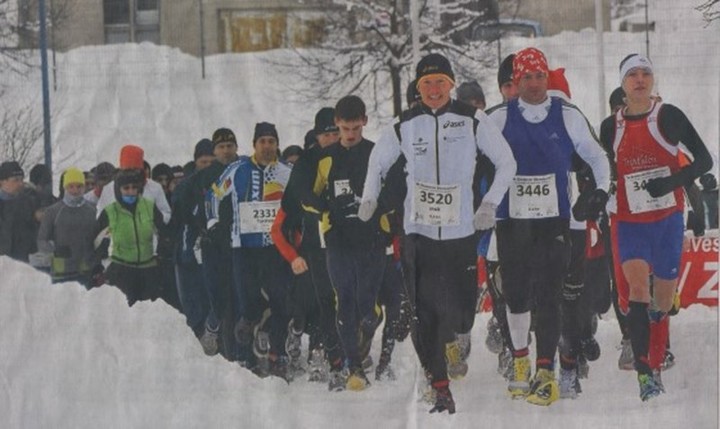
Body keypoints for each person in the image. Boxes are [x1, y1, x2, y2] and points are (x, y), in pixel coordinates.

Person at [360, 53, 516, 413]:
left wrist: (490, 203)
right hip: (419, 232)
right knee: (423, 311)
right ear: (418, 88)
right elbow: (377, 162)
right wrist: (369, 197)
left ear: (451, 85)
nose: (433, 89)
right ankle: (439, 384)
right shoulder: (405, 124)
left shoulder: (472, 119)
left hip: (462, 232)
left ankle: (452, 337)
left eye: (440, 82)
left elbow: (507, 161)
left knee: (460, 313)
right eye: (426, 83)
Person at [487, 47, 610, 406]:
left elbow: (597, 156)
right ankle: (521, 361)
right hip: (511, 220)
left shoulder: (566, 115)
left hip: (552, 219)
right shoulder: (497, 118)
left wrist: (600, 192)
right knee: (517, 296)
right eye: (527, 77)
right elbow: (471, 159)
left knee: (550, 294)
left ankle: (546, 371)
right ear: (516, 81)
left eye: (540, 75)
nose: (536, 83)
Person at [599, 53, 712, 401]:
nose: (639, 80)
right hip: (629, 222)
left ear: (653, 80)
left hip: (666, 220)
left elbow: (705, 160)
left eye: (645, 73)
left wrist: (671, 183)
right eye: (632, 74)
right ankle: (645, 371)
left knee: (662, 300)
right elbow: (603, 170)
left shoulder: (669, 116)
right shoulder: (609, 127)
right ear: (622, 83)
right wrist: (598, 197)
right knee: (636, 290)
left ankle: (657, 358)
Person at [303, 95, 391, 391]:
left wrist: (378, 209)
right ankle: (354, 367)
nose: (350, 135)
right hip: (338, 238)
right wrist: (325, 206)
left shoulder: (377, 153)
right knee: (344, 300)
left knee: (367, 306)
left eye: (355, 128)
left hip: (372, 237)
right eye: (345, 128)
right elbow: (308, 196)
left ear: (364, 122)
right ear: (337, 125)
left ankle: (372, 317)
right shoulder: (326, 158)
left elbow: (393, 192)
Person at [207, 122, 293, 377]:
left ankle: (277, 354)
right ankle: (249, 352)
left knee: (281, 301)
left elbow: (300, 199)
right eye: (262, 142)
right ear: (254, 145)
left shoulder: (286, 172)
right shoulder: (238, 169)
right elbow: (214, 195)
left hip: (276, 248)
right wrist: (213, 222)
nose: (267, 146)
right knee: (247, 306)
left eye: (271, 142)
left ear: (277, 145)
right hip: (243, 248)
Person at [271, 107, 343, 386]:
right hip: (314, 242)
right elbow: (290, 204)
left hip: (344, 241)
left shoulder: (349, 153)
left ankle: (332, 353)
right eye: (328, 134)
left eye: (336, 132)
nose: (334, 138)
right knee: (318, 303)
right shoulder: (307, 161)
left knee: (340, 303)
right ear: (317, 136)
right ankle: (320, 354)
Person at [94, 169, 167, 307]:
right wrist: (99, 263)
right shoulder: (110, 211)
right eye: (126, 188)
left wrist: (162, 254)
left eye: (134, 187)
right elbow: (94, 241)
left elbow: (164, 232)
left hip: (148, 270)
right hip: (122, 271)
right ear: (118, 190)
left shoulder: (149, 207)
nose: (131, 191)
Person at [169, 138, 215, 345]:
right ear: (196, 162)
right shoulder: (186, 186)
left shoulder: (222, 182)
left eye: (210, 162)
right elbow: (178, 219)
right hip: (188, 253)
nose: (207, 166)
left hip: (213, 253)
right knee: (192, 299)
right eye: (203, 162)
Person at [35, 167, 100, 286]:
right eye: (71, 186)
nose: (75, 191)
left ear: (84, 187)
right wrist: (54, 249)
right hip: (62, 273)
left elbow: (97, 239)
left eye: (79, 186)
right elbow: (41, 240)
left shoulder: (92, 211)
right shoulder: (53, 211)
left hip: (86, 271)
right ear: (65, 187)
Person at [96, 145, 171, 224]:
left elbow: (166, 214)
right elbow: (99, 216)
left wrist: (153, 222)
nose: (131, 175)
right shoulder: (109, 189)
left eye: (134, 170)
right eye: (127, 171)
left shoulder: (155, 187)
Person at [0, 161, 40, 262]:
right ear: (3, 181)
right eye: (15, 180)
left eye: (21, 180)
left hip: (22, 262)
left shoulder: (29, 203)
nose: (20, 184)